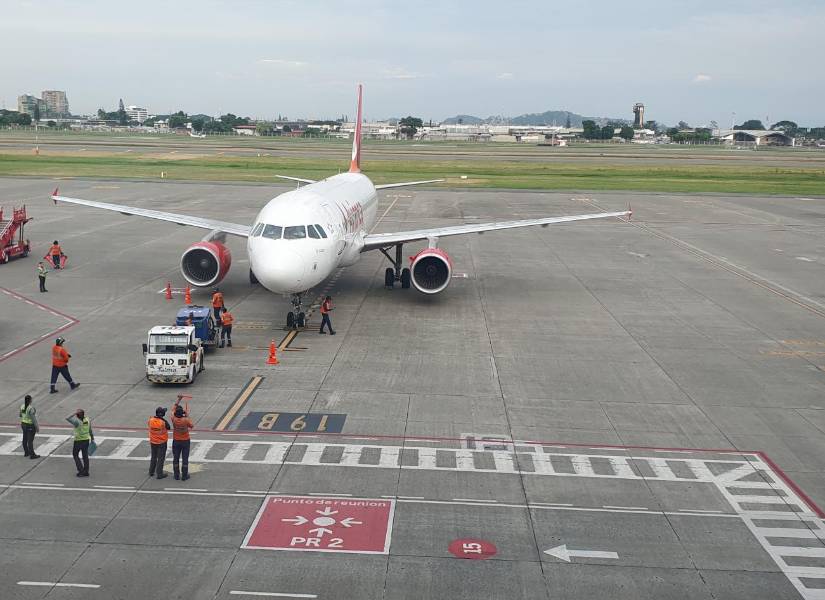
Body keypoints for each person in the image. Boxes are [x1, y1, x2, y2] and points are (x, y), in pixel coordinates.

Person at [171, 396, 194, 480]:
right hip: (185, 441)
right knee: (185, 458)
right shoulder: (185, 420)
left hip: (176, 440)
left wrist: (179, 399)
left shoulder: (173, 418)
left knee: (176, 458)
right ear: (182, 413)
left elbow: (173, 409)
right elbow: (192, 426)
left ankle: (176, 475)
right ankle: (184, 475)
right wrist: (187, 416)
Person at [66, 409, 93, 477]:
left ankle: (81, 471)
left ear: (77, 415)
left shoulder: (76, 422)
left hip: (78, 440)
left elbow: (67, 418)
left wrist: (74, 413)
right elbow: (90, 429)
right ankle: (86, 471)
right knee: (85, 456)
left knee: (75, 455)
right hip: (86, 440)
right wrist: (92, 437)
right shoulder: (87, 419)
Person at [148, 407, 171, 479]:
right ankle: (159, 474)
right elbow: (168, 427)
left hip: (153, 442)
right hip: (161, 442)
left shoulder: (151, 420)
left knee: (153, 457)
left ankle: (151, 472)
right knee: (161, 458)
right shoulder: (163, 422)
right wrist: (163, 419)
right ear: (162, 414)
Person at [19, 395, 40, 459]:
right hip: (30, 425)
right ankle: (32, 455)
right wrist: (37, 427)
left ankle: (26, 452)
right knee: (30, 440)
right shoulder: (31, 408)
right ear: (30, 400)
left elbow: (20, 415)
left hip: (23, 424)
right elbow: (34, 419)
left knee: (24, 438)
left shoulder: (22, 406)